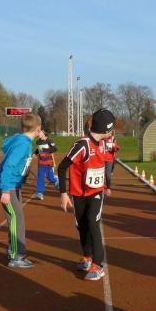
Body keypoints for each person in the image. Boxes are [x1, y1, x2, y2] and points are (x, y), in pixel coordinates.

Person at [57, 109, 115, 281]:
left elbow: (110, 158)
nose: (112, 133)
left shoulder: (105, 143)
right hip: (78, 193)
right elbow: (62, 167)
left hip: (96, 192)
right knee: (81, 225)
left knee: (92, 222)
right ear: (105, 129)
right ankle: (87, 256)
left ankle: (98, 264)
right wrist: (63, 194)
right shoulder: (82, 145)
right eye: (111, 129)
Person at [0, 113, 42, 268]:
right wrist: (5, 190)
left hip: (13, 184)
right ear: (38, 128)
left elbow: (5, 145)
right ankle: (16, 256)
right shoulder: (23, 144)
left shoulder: (20, 140)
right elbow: (9, 165)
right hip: (8, 185)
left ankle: (12, 249)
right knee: (16, 218)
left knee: (15, 217)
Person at [34, 130, 59, 200]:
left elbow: (54, 149)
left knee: (50, 177)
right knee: (40, 177)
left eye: (40, 132)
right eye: (38, 132)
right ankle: (39, 192)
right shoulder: (38, 142)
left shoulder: (49, 141)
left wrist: (45, 149)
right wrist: (35, 153)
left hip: (48, 162)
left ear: (44, 134)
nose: (39, 134)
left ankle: (56, 181)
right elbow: (39, 149)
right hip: (41, 163)